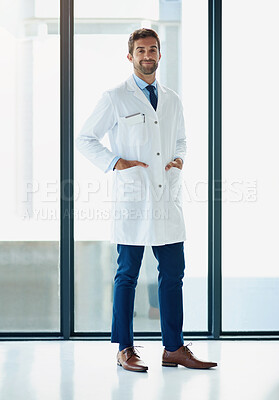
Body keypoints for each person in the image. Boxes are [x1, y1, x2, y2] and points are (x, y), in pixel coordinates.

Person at [76, 28, 217, 372]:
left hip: (166, 199)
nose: (147, 55)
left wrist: (180, 159)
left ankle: (173, 348)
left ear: (159, 54)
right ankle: (125, 349)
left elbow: (181, 139)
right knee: (127, 275)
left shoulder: (173, 98)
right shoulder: (115, 97)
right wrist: (115, 163)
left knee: (173, 275)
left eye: (152, 49)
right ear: (130, 56)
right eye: (140, 50)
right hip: (133, 199)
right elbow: (86, 138)